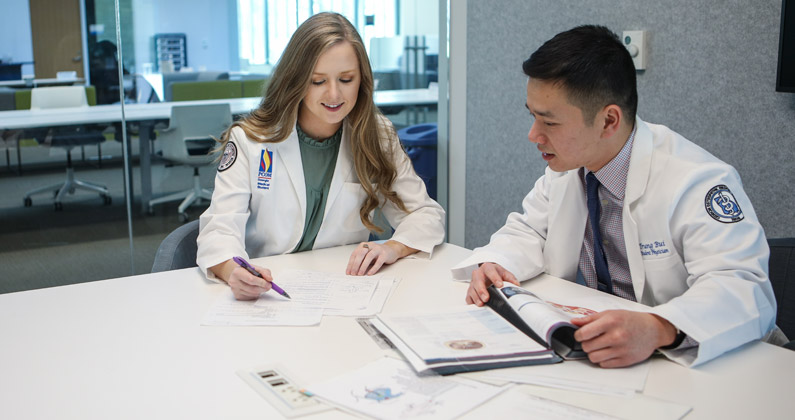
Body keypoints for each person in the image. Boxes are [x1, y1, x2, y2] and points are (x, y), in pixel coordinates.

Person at [452, 25, 784, 368]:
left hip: (719, 363)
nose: (532, 135)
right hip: (603, 350)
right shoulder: (569, 168)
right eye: (532, 116)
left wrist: (660, 326)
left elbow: (744, 288)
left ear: (609, 120)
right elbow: (529, 230)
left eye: (549, 123)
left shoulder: (696, 180)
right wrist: (496, 263)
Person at [197, 12, 445, 300]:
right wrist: (232, 270)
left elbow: (425, 214)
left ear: (362, 80)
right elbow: (219, 228)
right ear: (297, 80)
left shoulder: (377, 135)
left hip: (343, 289)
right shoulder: (251, 140)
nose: (334, 94)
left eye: (346, 79)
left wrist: (393, 247)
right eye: (317, 81)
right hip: (270, 293)